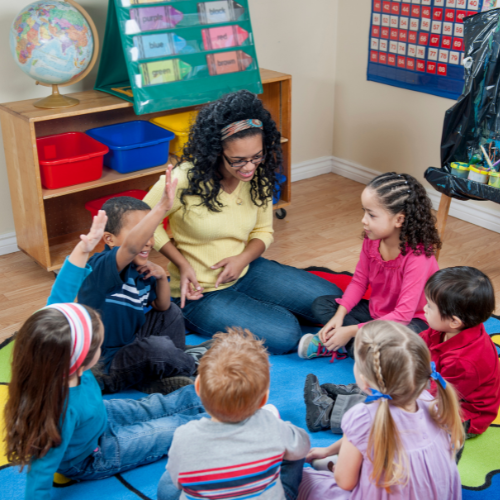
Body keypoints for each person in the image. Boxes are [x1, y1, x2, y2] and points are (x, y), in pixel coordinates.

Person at [4, 211, 208, 500]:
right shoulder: (57, 412)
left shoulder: (58, 353)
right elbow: (39, 476)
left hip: (98, 418)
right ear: (82, 362)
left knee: (153, 406)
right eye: (97, 345)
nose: (102, 349)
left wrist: (84, 247)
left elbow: (62, 291)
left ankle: (215, 398)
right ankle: (227, 418)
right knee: (169, 428)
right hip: (94, 455)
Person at [143, 90, 342, 354]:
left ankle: (264, 305)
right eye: (237, 160)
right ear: (215, 151)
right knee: (285, 334)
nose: (249, 167)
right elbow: (143, 220)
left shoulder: (258, 176)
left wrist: (242, 259)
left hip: (248, 269)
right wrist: (181, 263)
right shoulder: (184, 178)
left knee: (331, 299)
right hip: (201, 292)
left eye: (256, 156)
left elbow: (263, 231)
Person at [78, 167, 210, 394]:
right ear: (109, 239)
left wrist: (161, 278)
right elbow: (131, 247)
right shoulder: (101, 266)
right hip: (104, 365)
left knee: (172, 313)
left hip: (132, 344)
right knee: (157, 348)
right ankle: (192, 363)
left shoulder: (141, 270)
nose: (148, 241)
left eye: (151, 233)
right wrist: (162, 207)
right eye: (141, 233)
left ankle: (168, 370)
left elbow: (162, 307)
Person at [298, 321, 463, 500]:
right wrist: (329, 450)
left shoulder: (361, 417)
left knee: (301, 478)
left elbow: (345, 483)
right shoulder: (430, 401)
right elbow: (360, 436)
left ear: (365, 382)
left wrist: (338, 470)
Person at [298, 172, 440, 360]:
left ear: (399, 219)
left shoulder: (418, 257)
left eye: (372, 215)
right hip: (376, 314)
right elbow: (358, 282)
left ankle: (349, 346)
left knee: (401, 346)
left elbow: (403, 316)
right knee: (323, 305)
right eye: (364, 211)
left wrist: (350, 331)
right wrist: (340, 316)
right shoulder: (371, 239)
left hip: (411, 321)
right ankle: (361, 350)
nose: (364, 220)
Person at [157, 328, 310, 500]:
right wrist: (285, 429)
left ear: (198, 387)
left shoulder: (184, 435)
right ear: (263, 399)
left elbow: (177, 482)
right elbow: (303, 446)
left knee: (171, 476)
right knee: (294, 451)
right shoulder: (271, 426)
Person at [421, 266, 500, 436]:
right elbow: (422, 341)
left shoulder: (463, 362)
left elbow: (439, 397)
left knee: (408, 422)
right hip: (441, 381)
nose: (424, 308)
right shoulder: (448, 327)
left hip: (465, 414)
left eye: (430, 306)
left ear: (455, 321)